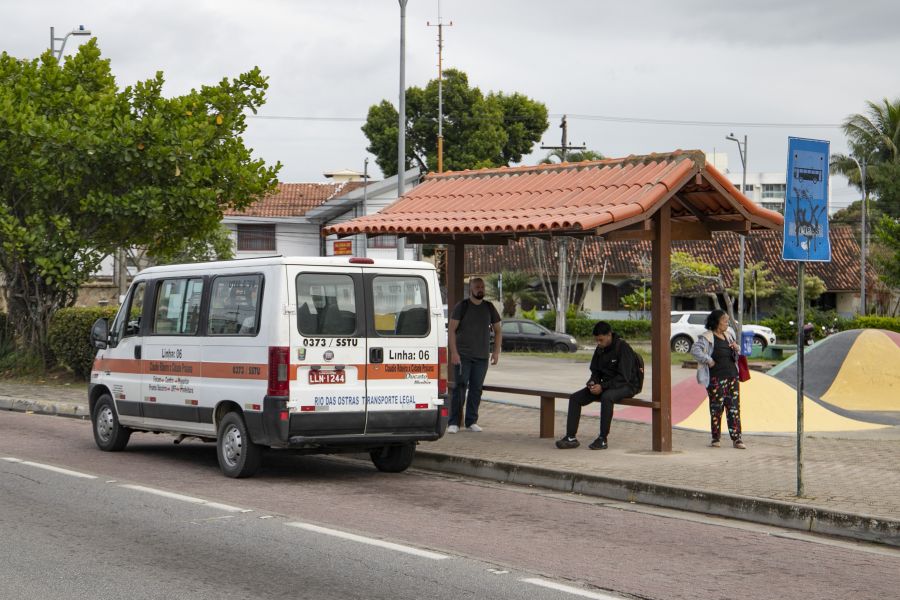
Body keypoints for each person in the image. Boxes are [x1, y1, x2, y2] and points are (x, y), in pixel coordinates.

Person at [556, 321, 639, 450]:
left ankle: (602, 439)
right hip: (605, 385)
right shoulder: (600, 349)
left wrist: (603, 387)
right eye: (597, 340)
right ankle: (570, 437)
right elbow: (595, 371)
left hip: (627, 385)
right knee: (575, 398)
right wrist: (593, 382)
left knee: (607, 397)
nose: (599, 343)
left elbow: (624, 377)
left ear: (609, 335)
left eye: (601, 340)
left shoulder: (623, 348)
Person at [447, 278, 502, 434]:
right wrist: (454, 353)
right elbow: (451, 330)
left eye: (482, 287)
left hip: (481, 357)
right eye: (477, 287)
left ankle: (472, 421)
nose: (480, 289)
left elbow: (498, 330)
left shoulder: (489, 307)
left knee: (476, 389)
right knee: (460, 387)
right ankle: (454, 422)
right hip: (462, 356)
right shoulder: (462, 306)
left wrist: (496, 351)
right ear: (471, 288)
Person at [690, 309, 746, 449]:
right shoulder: (707, 337)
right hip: (716, 378)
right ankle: (716, 438)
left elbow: (736, 354)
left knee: (734, 408)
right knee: (716, 408)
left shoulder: (729, 335)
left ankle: (737, 439)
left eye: (727, 321)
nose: (727, 324)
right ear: (716, 322)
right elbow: (695, 350)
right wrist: (708, 360)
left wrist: (736, 348)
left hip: (732, 377)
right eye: (725, 321)